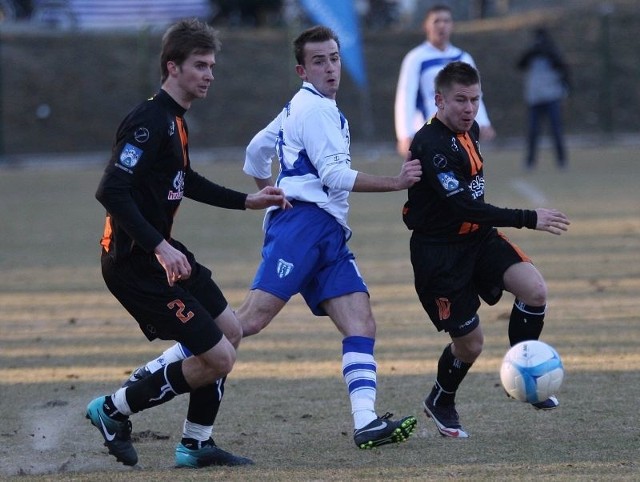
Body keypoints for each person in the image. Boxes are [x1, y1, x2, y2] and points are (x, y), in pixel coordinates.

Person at [129, 25, 422, 450]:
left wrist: (269, 194)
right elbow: (335, 176)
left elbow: (254, 152)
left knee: (361, 322)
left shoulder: (302, 106)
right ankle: (153, 370)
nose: (330, 68)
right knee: (246, 323)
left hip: (326, 232)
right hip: (304, 227)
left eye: (335, 58)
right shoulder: (315, 110)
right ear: (302, 69)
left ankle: (366, 423)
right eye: (319, 61)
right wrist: (396, 183)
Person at [86, 18, 289, 468]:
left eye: (212, 66)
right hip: (133, 263)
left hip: (162, 254)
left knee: (231, 333)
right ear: (172, 67)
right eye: (200, 65)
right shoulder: (148, 120)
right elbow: (111, 191)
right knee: (218, 356)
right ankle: (112, 410)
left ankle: (196, 444)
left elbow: (185, 180)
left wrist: (247, 201)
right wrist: (160, 246)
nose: (209, 74)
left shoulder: (175, 122)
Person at [402, 61, 570, 438]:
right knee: (470, 344)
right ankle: (441, 399)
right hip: (439, 254)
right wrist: (529, 217)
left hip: (477, 238)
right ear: (439, 100)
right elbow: (463, 205)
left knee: (534, 290)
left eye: (475, 100)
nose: (469, 109)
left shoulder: (471, 128)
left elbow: (472, 209)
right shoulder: (430, 144)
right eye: (460, 100)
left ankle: (523, 367)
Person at [394, 4, 496, 158]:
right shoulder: (416, 58)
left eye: (446, 21)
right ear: (426, 26)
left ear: (452, 25)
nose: (442, 25)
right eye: (436, 21)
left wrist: (483, 122)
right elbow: (405, 96)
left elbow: (475, 95)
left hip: (459, 133)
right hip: (427, 131)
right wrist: (404, 134)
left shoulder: (463, 57)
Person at [516, 27, 571, 170]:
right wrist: (532, 51)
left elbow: (564, 69)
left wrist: (549, 52)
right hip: (535, 98)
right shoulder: (532, 55)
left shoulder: (553, 53)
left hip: (552, 96)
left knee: (556, 130)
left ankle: (561, 160)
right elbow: (520, 64)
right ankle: (530, 162)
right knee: (533, 131)